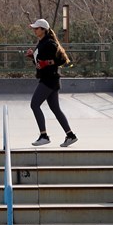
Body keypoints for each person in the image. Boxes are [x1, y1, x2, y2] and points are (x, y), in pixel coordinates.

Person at [26, 19, 77, 147]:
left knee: (34, 104)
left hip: (49, 79)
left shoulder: (49, 43)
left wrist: (47, 62)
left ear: (43, 29)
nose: (34, 30)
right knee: (55, 109)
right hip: (49, 79)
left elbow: (62, 59)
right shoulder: (42, 42)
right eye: (34, 28)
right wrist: (33, 57)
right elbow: (40, 62)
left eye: (36, 28)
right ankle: (70, 135)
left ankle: (44, 136)